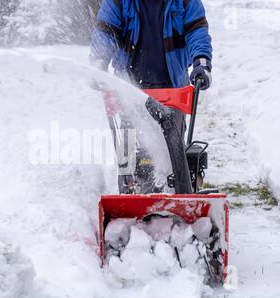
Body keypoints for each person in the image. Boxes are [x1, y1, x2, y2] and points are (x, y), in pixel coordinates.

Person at [90, 0, 213, 194]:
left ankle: (179, 197)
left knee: (173, 152)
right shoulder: (119, 2)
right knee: (130, 153)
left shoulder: (185, 2)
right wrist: (99, 62)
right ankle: (129, 196)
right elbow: (105, 32)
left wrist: (201, 62)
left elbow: (196, 32)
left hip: (172, 90)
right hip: (128, 89)